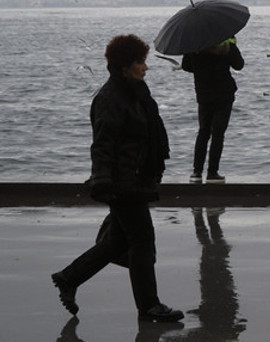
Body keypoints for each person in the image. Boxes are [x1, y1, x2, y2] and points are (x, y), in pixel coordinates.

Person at [51, 34, 183, 322]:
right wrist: (102, 181)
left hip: (136, 179)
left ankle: (69, 277)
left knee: (118, 242)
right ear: (125, 66)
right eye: (140, 62)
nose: (145, 68)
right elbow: (103, 143)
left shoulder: (136, 93)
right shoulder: (110, 98)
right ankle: (149, 306)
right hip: (123, 183)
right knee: (143, 241)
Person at [182, 37, 244, 182]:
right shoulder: (226, 42)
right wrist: (232, 46)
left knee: (203, 131)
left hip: (203, 93)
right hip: (224, 94)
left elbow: (186, 66)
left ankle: (196, 172)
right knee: (218, 133)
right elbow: (239, 65)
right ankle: (212, 172)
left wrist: (200, 65)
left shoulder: (194, 43)